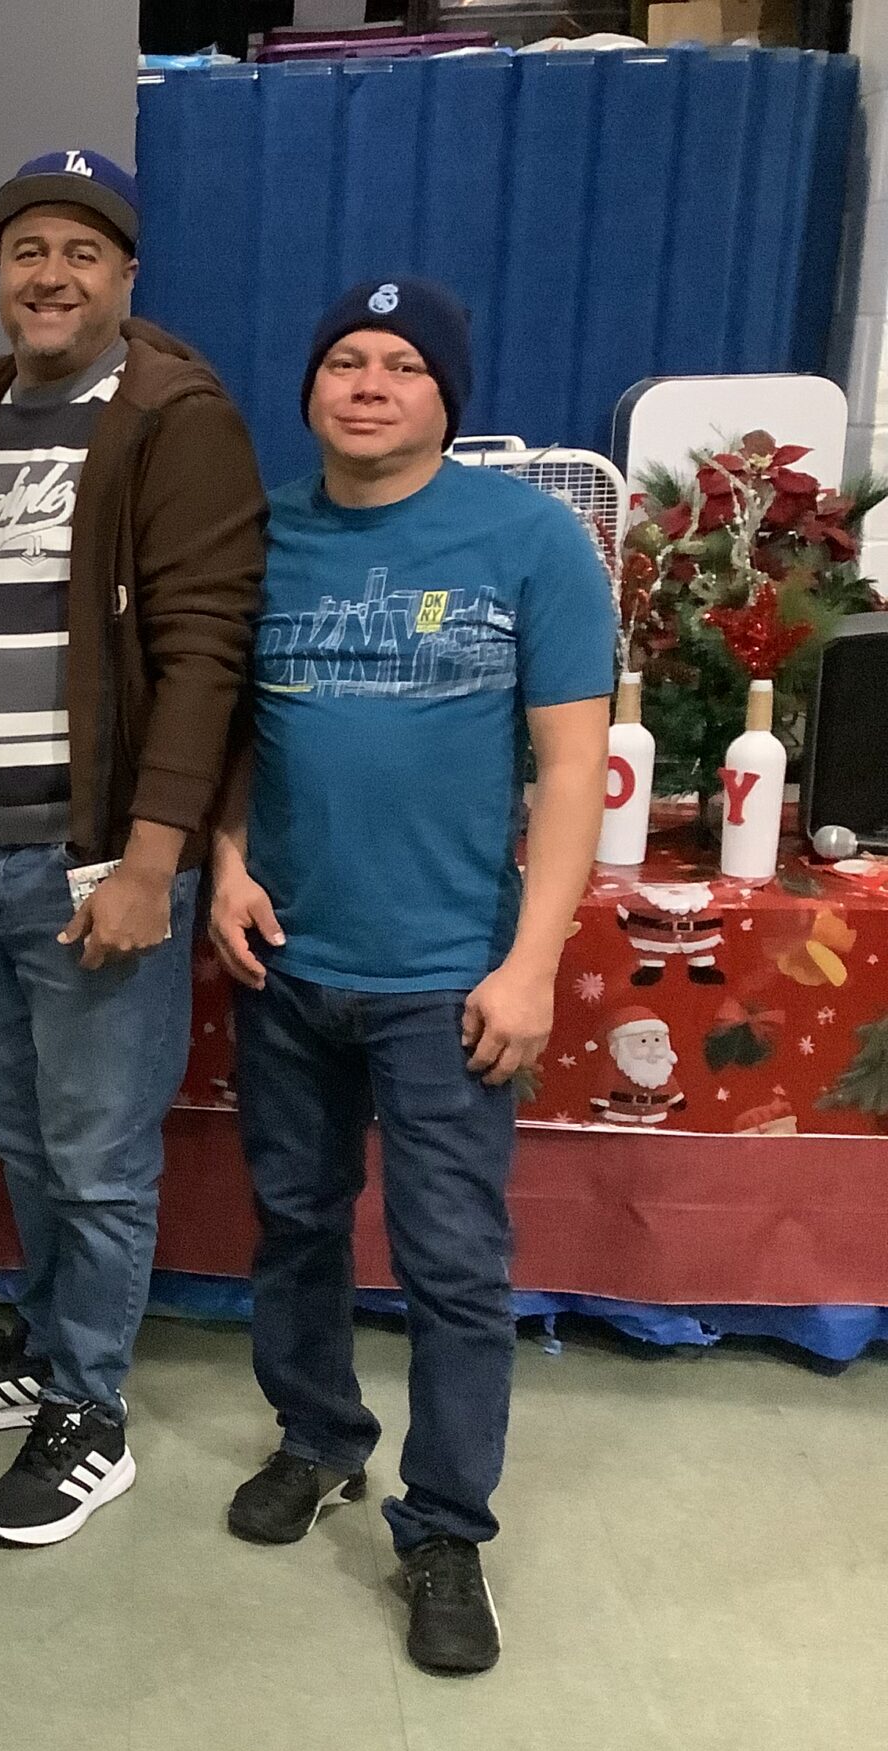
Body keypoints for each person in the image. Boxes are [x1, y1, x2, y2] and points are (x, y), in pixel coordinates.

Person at [205, 278, 612, 1676]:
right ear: (312, 388)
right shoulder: (260, 535)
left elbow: (570, 773)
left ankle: (444, 1528)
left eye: (401, 366)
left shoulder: (531, 540)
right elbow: (229, 729)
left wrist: (531, 965)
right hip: (290, 967)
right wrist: (225, 856)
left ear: (449, 397)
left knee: (452, 1266)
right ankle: (317, 1438)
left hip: (452, 983)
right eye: (343, 360)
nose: (368, 384)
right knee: (298, 1222)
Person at [0, 151, 266, 1550]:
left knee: (101, 1160)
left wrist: (147, 860)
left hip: (89, 865)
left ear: (125, 275)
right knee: (19, 1135)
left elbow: (202, 657)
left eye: (81, 253)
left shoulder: (175, 418)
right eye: (26, 251)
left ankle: (91, 1415)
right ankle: (48, 1348)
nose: (48, 276)